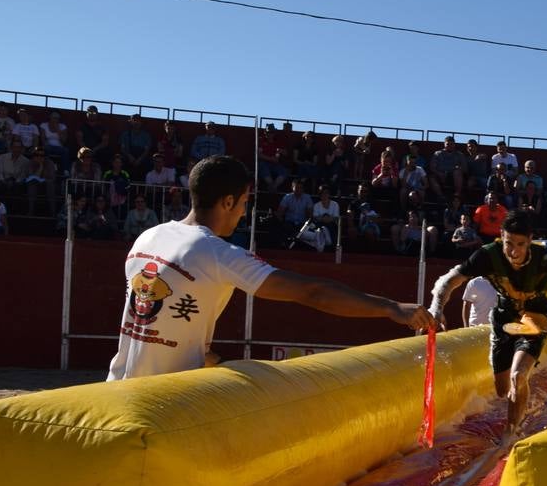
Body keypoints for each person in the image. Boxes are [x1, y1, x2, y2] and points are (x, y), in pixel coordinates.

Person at [107, 157, 431, 381]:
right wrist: (391, 308)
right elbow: (312, 292)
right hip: (161, 405)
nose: (243, 213)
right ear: (228, 202)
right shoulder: (218, 252)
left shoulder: (149, 236)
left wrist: (209, 360)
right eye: (245, 202)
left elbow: (155, 324)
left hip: (113, 391)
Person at [426, 209, 547, 436]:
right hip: (504, 319)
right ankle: (514, 397)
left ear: (530, 241)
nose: (514, 251)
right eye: (509, 243)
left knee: (518, 376)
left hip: (534, 319)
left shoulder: (545, 257)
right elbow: (449, 280)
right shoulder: (488, 255)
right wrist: (437, 307)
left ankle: (511, 432)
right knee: (502, 390)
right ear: (501, 235)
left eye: (521, 244)